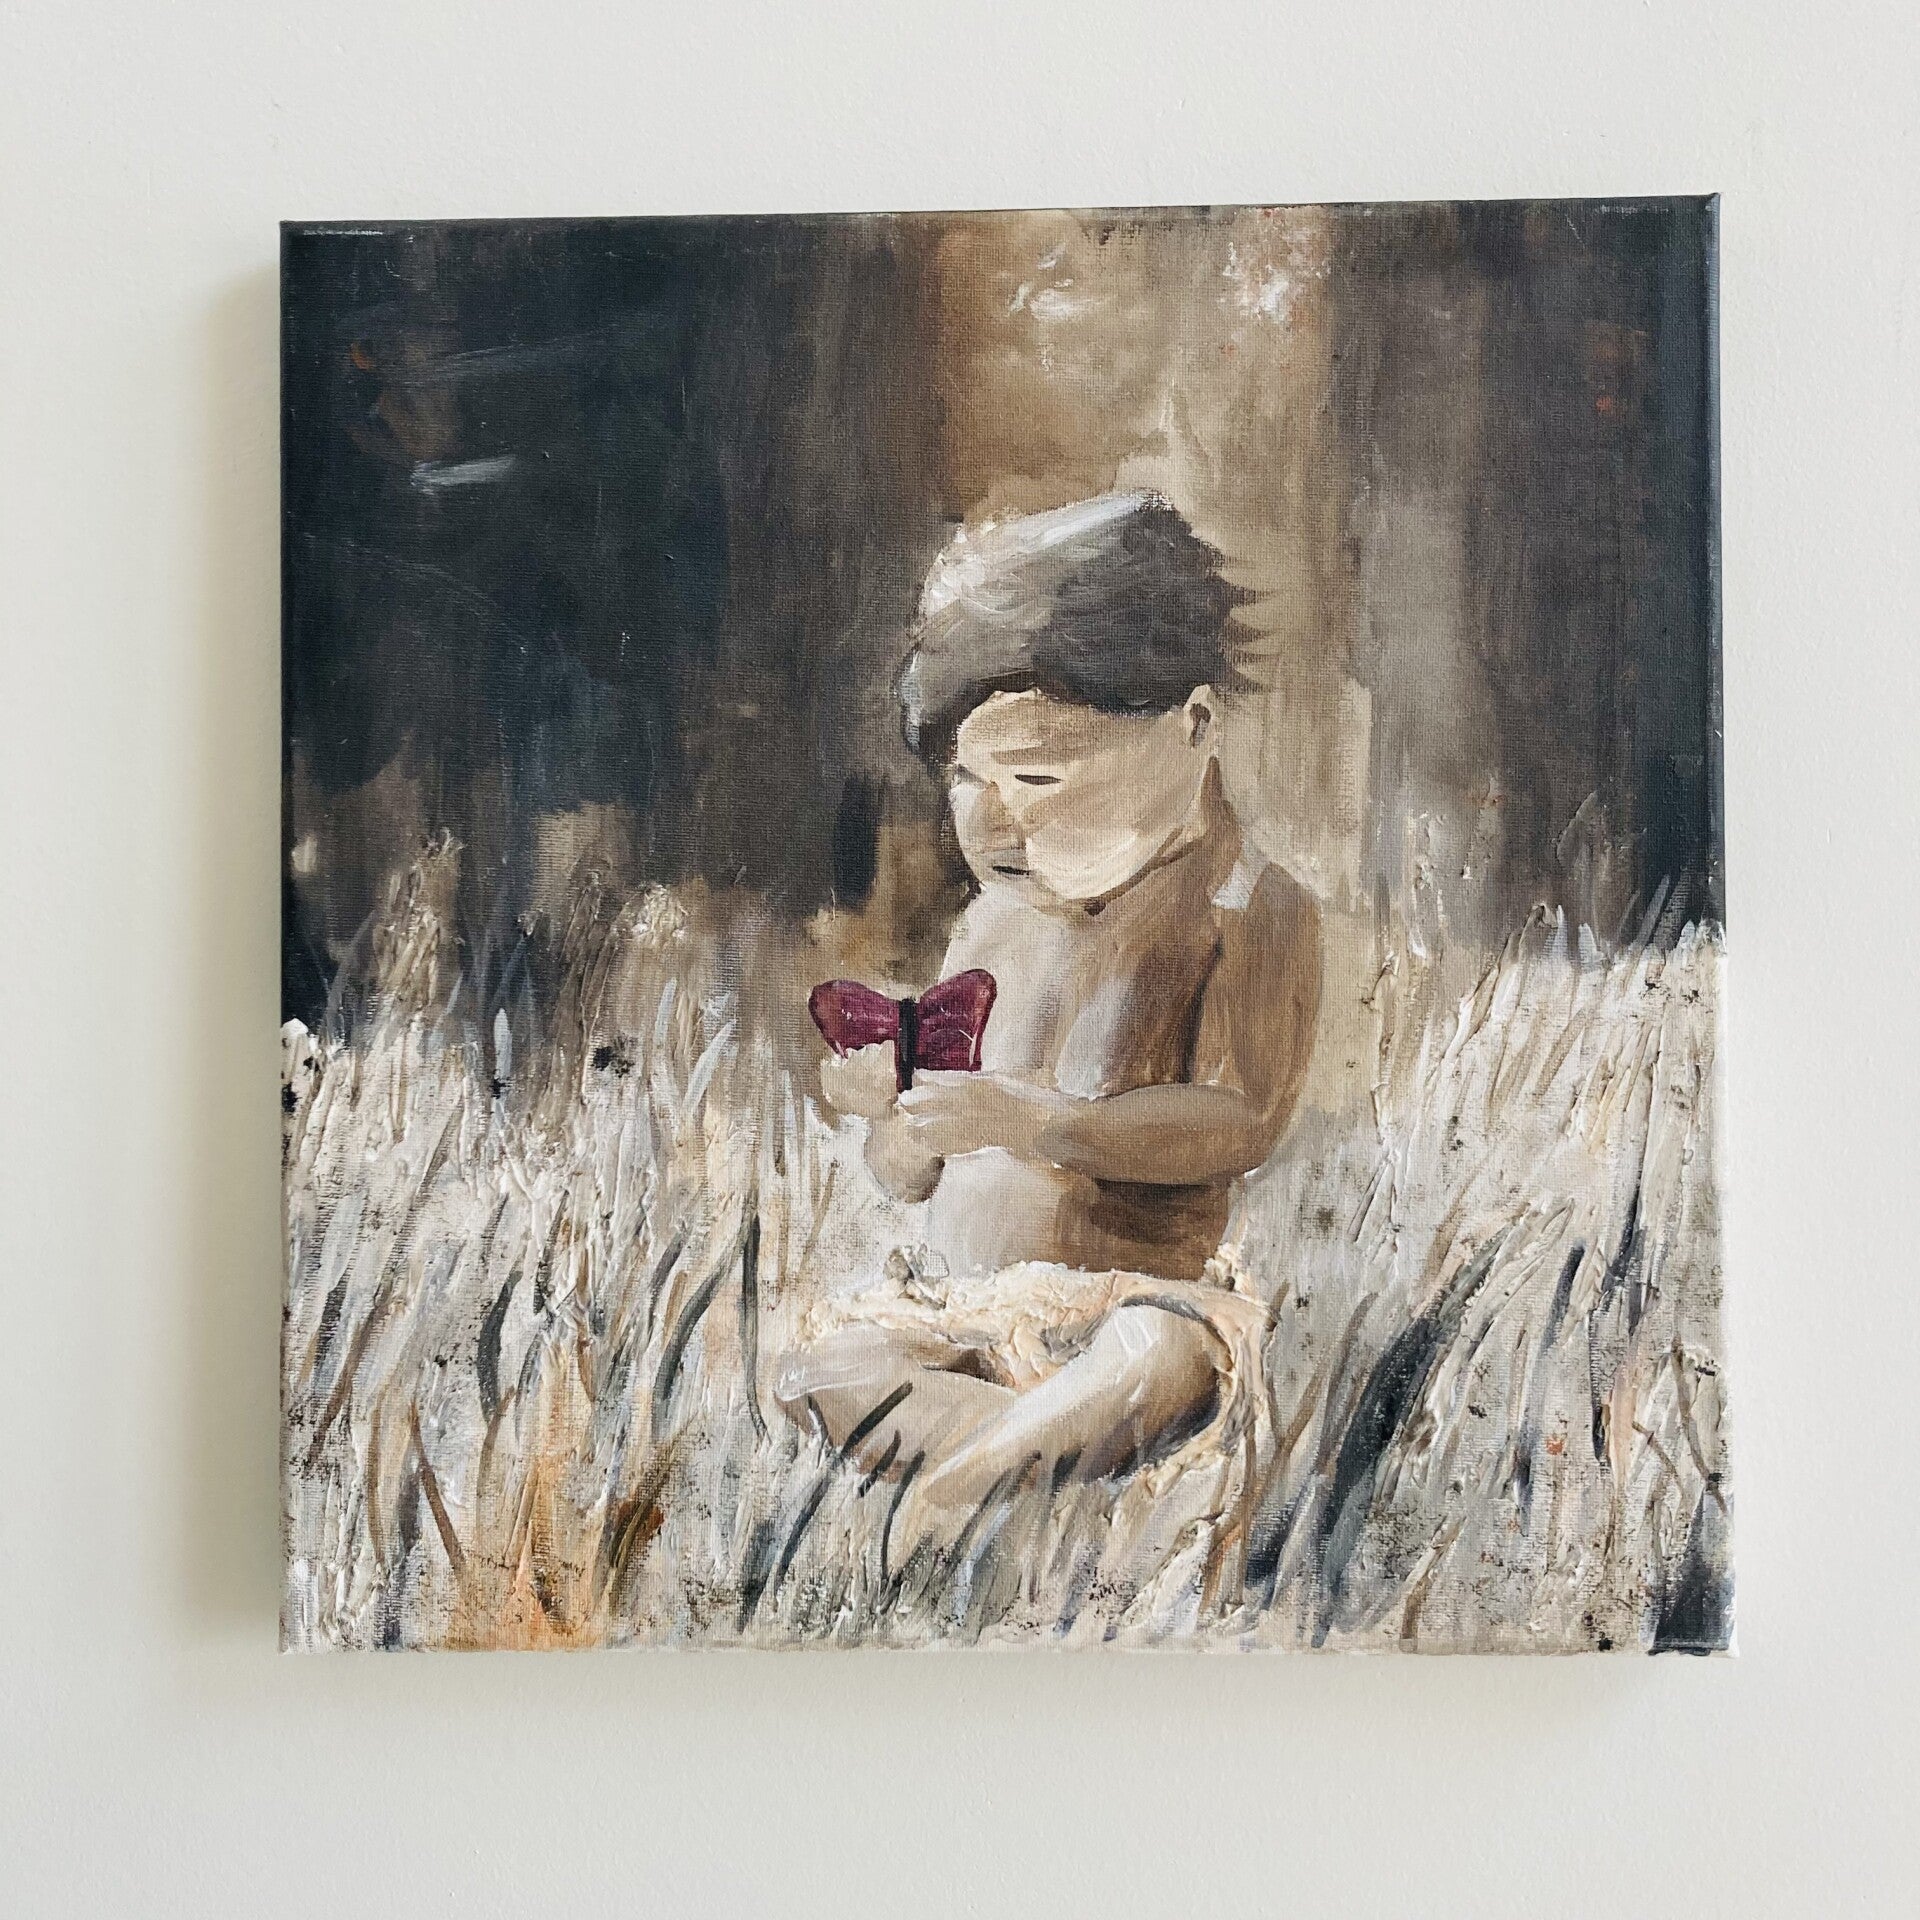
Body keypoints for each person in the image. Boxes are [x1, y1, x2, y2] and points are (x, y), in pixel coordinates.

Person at [775, 491, 1321, 1554]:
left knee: (1159, 1361)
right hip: (971, 1316)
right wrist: (895, 1117)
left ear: (1193, 728)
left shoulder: (1245, 907)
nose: (993, 821)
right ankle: (1015, 1464)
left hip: (1134, 1305)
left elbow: (1240, 1122)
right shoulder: (990, 928)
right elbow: (910, 1177)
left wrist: (1037, 1124)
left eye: (1036, 776)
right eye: (968, 780)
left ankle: (962, 1489)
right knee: (819, 1370)